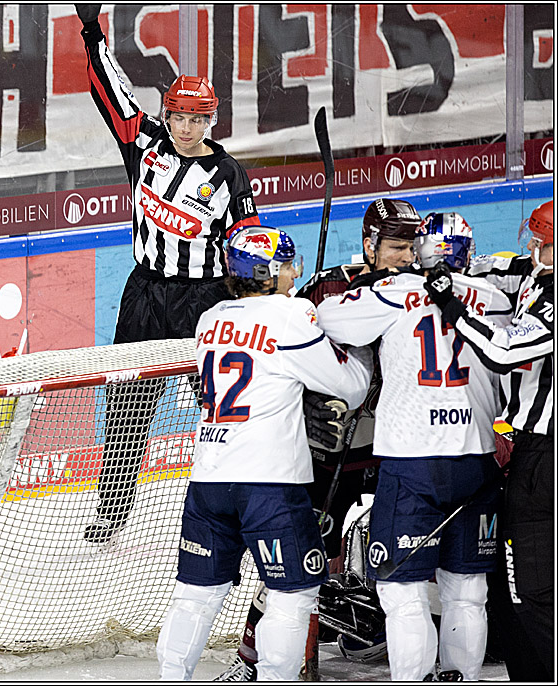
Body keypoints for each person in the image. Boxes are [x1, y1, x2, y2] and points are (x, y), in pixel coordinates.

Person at [216, 197, 423, 680]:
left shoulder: (421, 288)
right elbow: (286, 349)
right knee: (306, 550)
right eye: (395, 246)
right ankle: (260, 656)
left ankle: (376, 628)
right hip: (332, 449)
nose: (405, 257)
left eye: (411, 246)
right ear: (369, 244)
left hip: (395, 439)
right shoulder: (331, 286)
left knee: (407, 543)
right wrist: (310, 399)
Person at [75, 4, 260, 543]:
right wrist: (93, 31)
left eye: (196, 119)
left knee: (220, 407)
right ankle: (111, 512)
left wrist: (256, 298)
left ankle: (228, 508)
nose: (185, 127)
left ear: (211, 121)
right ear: (168, 114)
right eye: (178, 116)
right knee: (127, 407)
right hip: (145, 292)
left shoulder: (229, 175)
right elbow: (110, 89)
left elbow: (248, 242)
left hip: (203, 300)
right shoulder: (145, 142)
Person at [156, 226, 373, 680]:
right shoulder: (292, 315)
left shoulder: (210, 318)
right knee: (293, 597)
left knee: (195, 598)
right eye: (289, 265)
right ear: (269, 271)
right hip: (271, 485)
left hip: (209, 478)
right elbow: (349, 387)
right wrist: (360, 352)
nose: (296, 273)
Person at [315, 212, 513, 681]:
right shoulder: (495, 298)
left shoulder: (395, 293)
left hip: (412, 464)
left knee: (403, 594)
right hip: (477, 461)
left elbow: (329, 317)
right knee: (468, 591)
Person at [422, 201, 553, 681]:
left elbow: (502, 350)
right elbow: (491, 266)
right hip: (534, 452)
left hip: (545, 459)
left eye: (543, 243)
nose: (534, 250)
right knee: (513, 588)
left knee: (528, 592)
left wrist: (450, 305)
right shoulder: (532, 273)